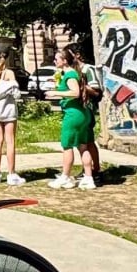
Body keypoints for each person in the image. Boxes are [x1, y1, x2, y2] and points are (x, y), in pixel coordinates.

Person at [51, 45, 99, 190]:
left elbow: (75, 92)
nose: (54, 61)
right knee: (83, 146)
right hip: (81, 113)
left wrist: (56, 93)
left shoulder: (70, 74)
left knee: (67, 146)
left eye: (56, 59)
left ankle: (65, 177)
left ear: (65, 61)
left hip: (73, 114)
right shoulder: (73, 73)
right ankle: (88, 178)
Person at [0, 45, 24, 186]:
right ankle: (11, 174)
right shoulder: (9, 74)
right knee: (10, 142)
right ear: (7, 57)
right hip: (8, 111)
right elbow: (16, 94)